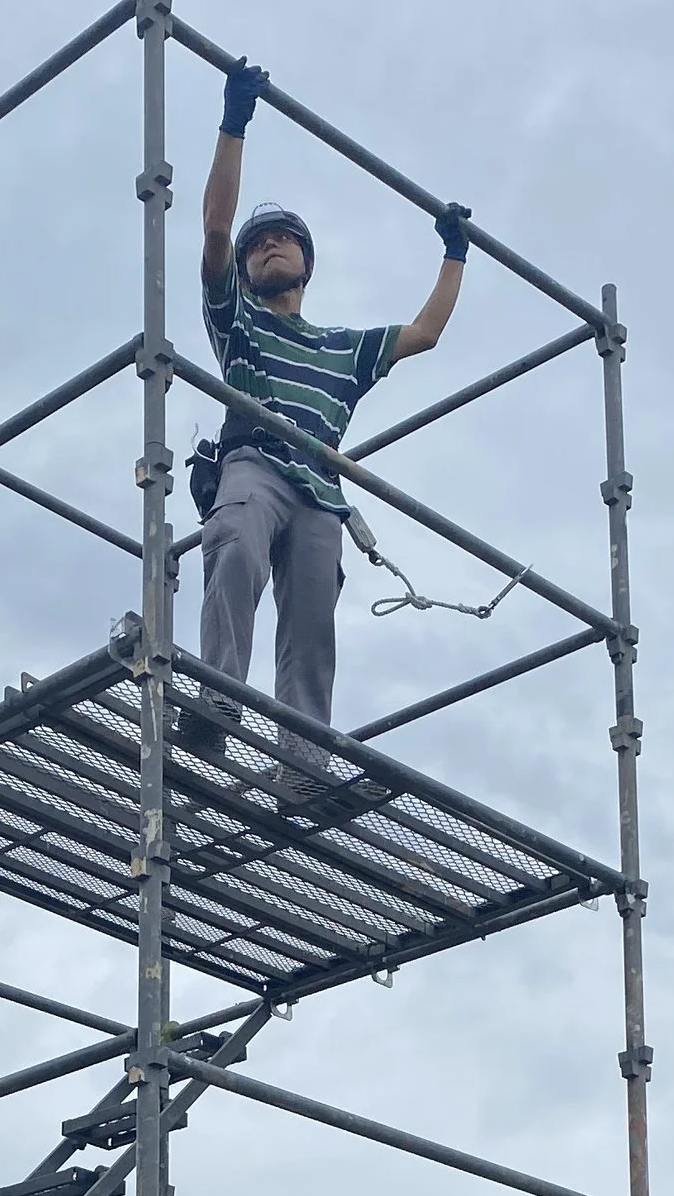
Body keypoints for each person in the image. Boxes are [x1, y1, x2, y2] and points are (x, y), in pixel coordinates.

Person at [181, 56, 470, 795]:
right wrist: (234, 123)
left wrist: (454, 253)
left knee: (311, 619)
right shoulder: (236, 321)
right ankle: (217, 700)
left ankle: (303, 765)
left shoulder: (342, 349)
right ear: (247, 271)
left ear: (307, 262)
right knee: (235, 541)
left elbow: (425, 332)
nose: (268, 246)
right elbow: (215, 228)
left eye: (282, 240)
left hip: (319, 493)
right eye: (259, 245)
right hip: (255, 464)